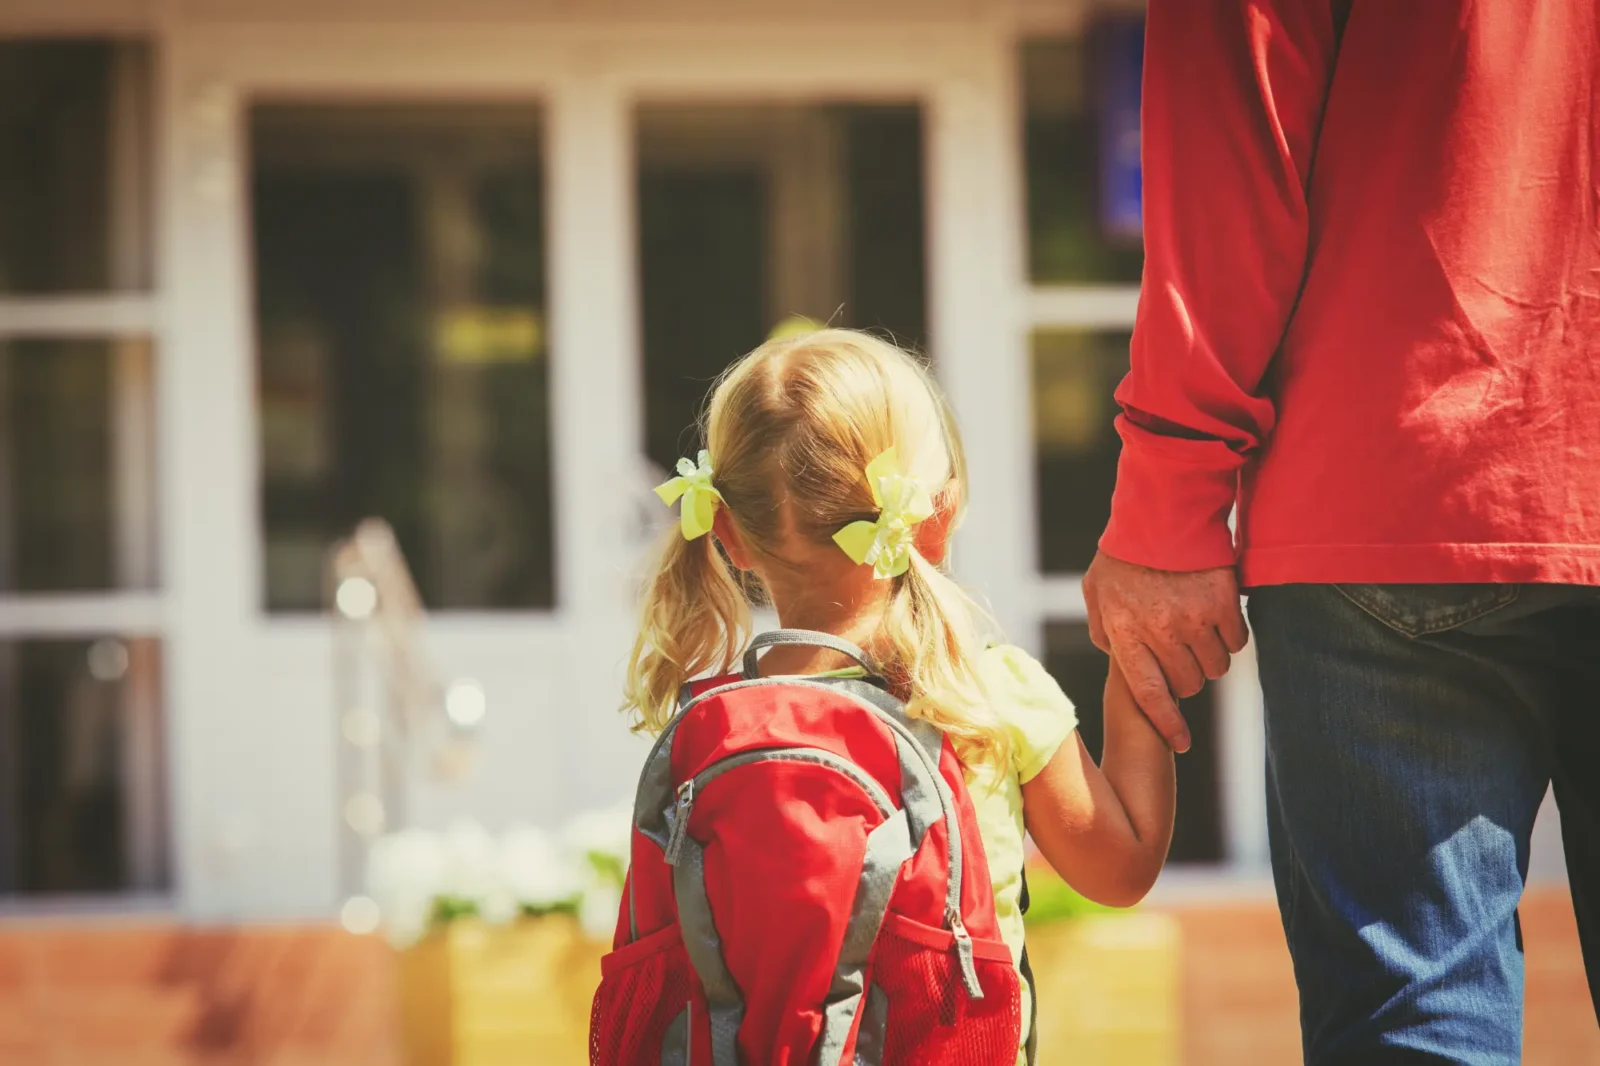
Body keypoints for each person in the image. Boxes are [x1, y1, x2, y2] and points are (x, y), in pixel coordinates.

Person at [1083, 2, 1600, 1061]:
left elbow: (1231, 157)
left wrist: (1167, 507)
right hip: (1402, 502)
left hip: (1388, 497)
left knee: (1416, 1031)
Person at [626, 328, 1177, 1063]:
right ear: (937, 517)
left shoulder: (710, 726)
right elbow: (1122, 868)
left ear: (728, 532)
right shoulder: (987, 693)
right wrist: (1135, 661)